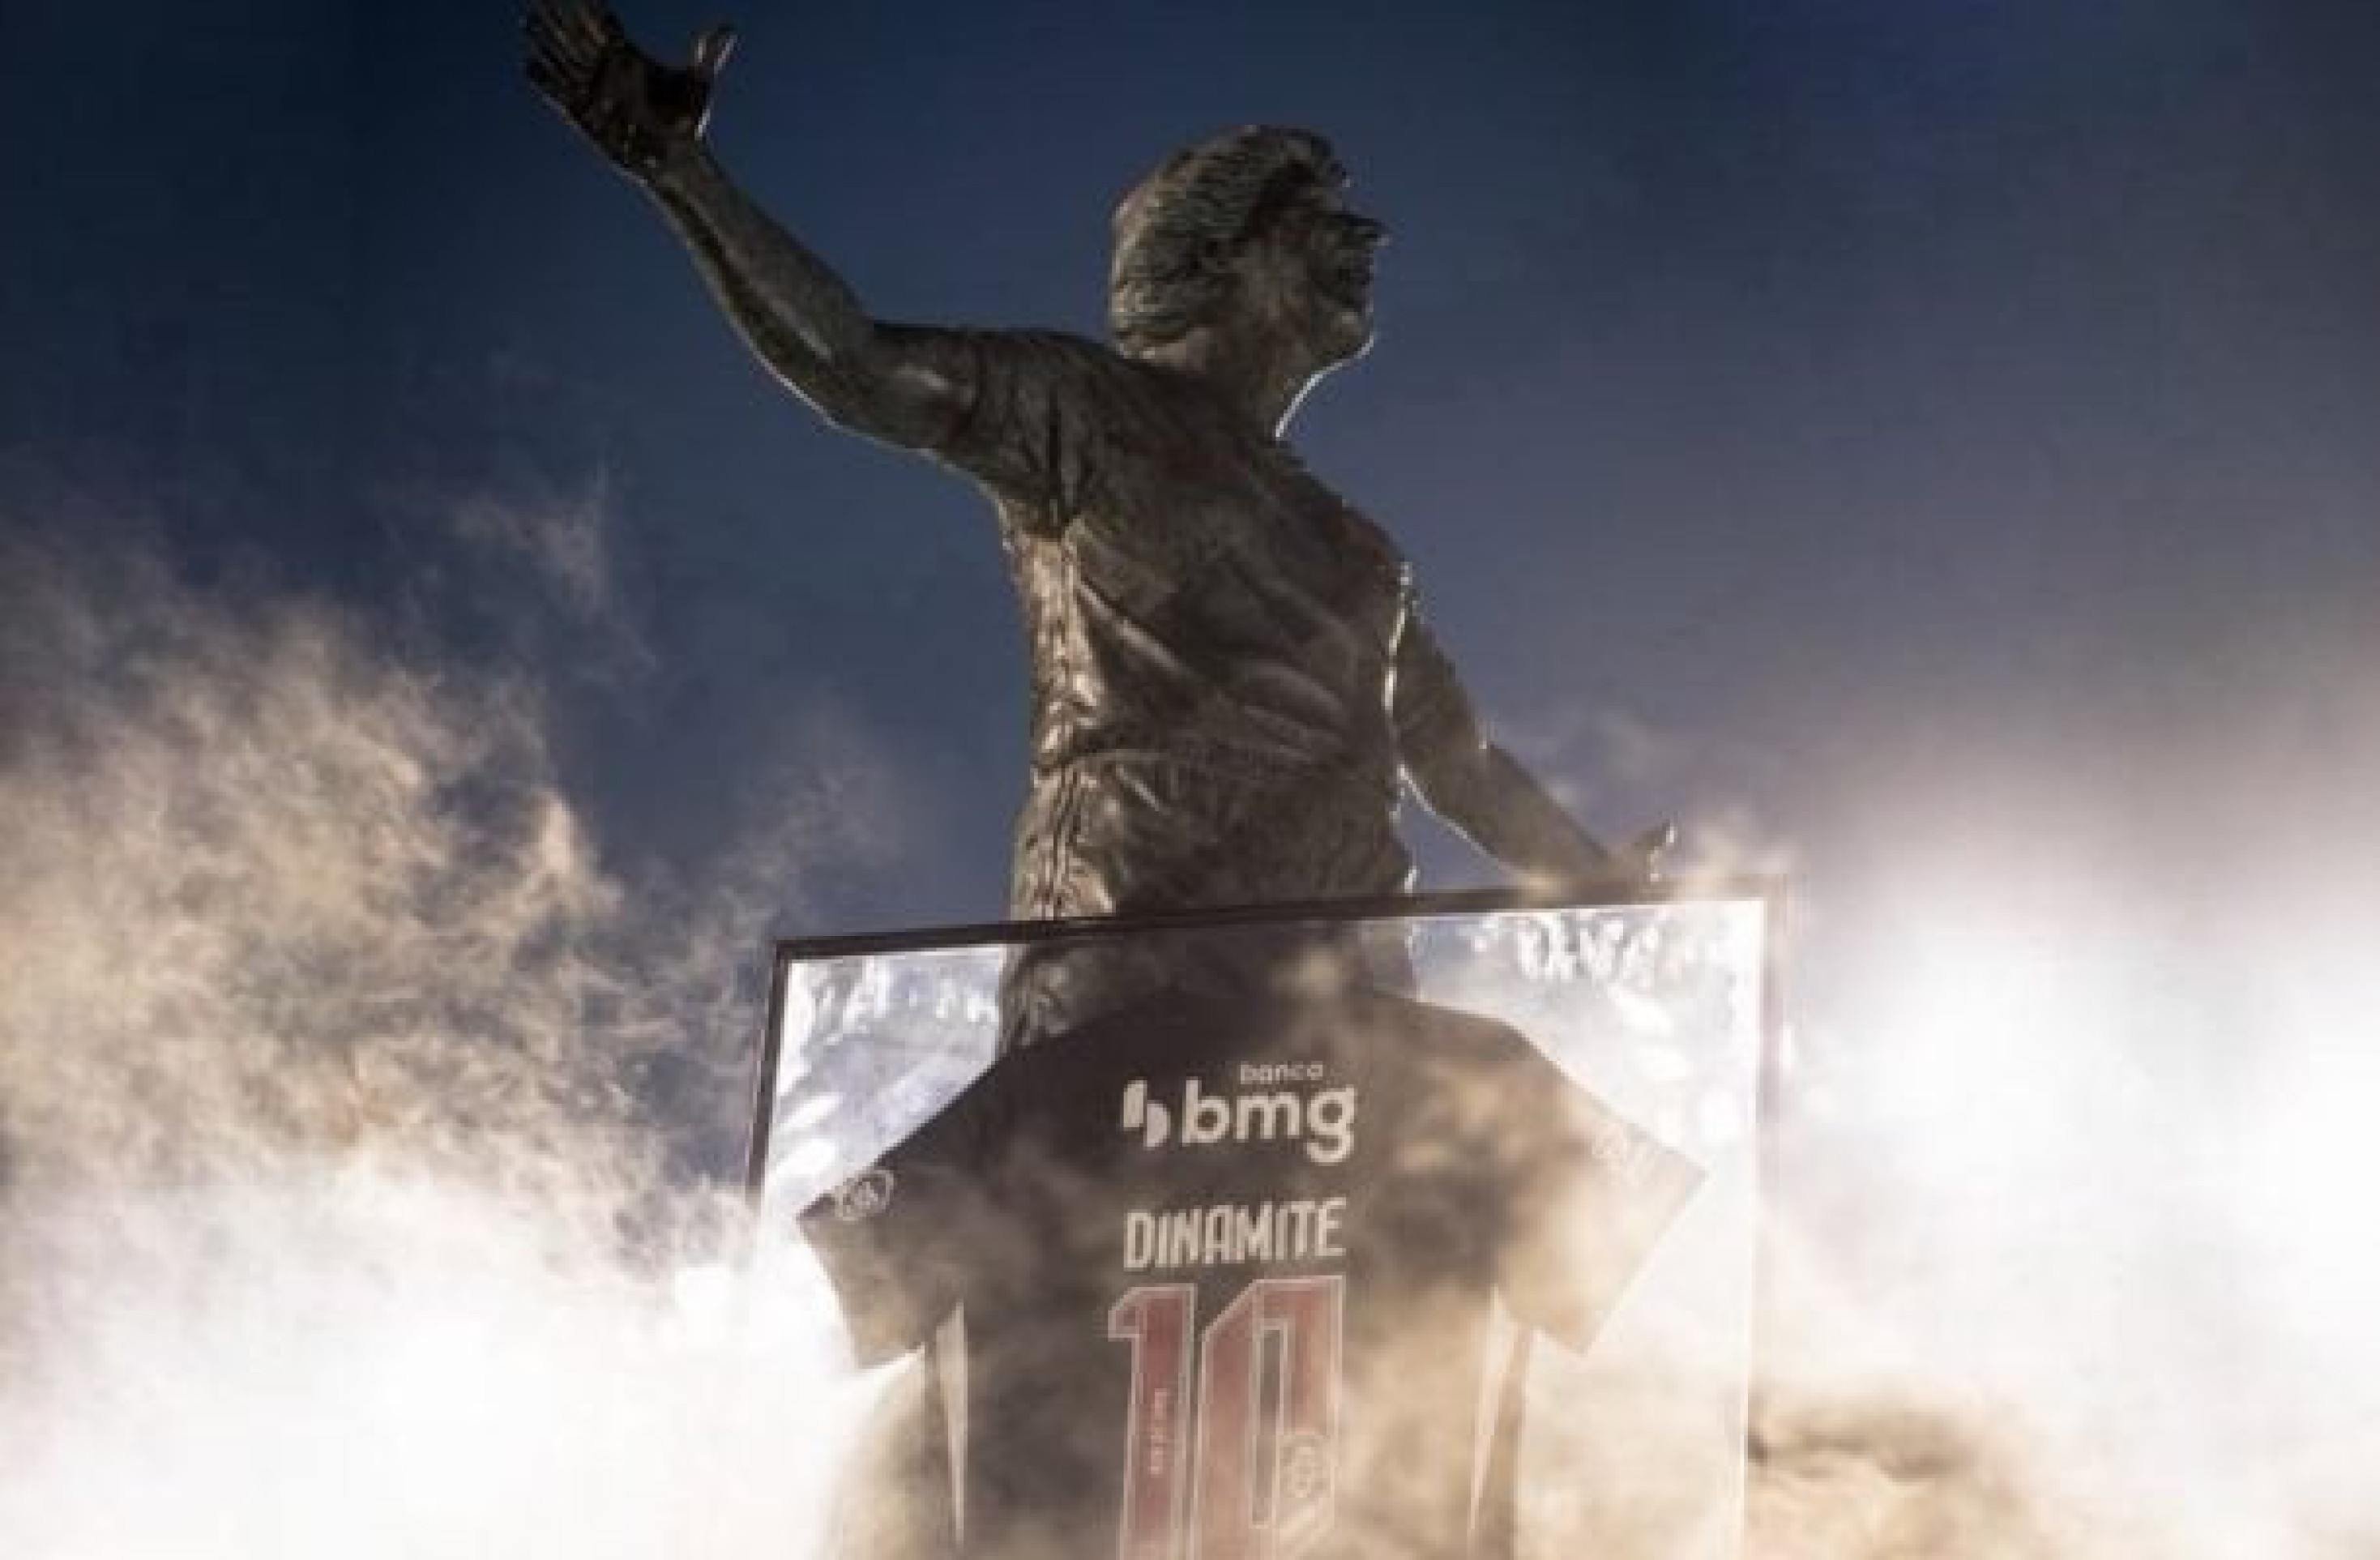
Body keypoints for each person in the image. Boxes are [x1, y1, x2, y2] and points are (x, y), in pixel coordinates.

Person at [524, 2, 1669, 1047]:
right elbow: (854, 363)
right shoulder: (1083, 412)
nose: (1366, 241)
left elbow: (1458, 760)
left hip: (1343, 1005)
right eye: (1317, 219)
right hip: (1130, 984)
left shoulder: (1357, 550)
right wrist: (679, 171)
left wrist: (1592, 880)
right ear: (1216, 255)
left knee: (1519, 1192)